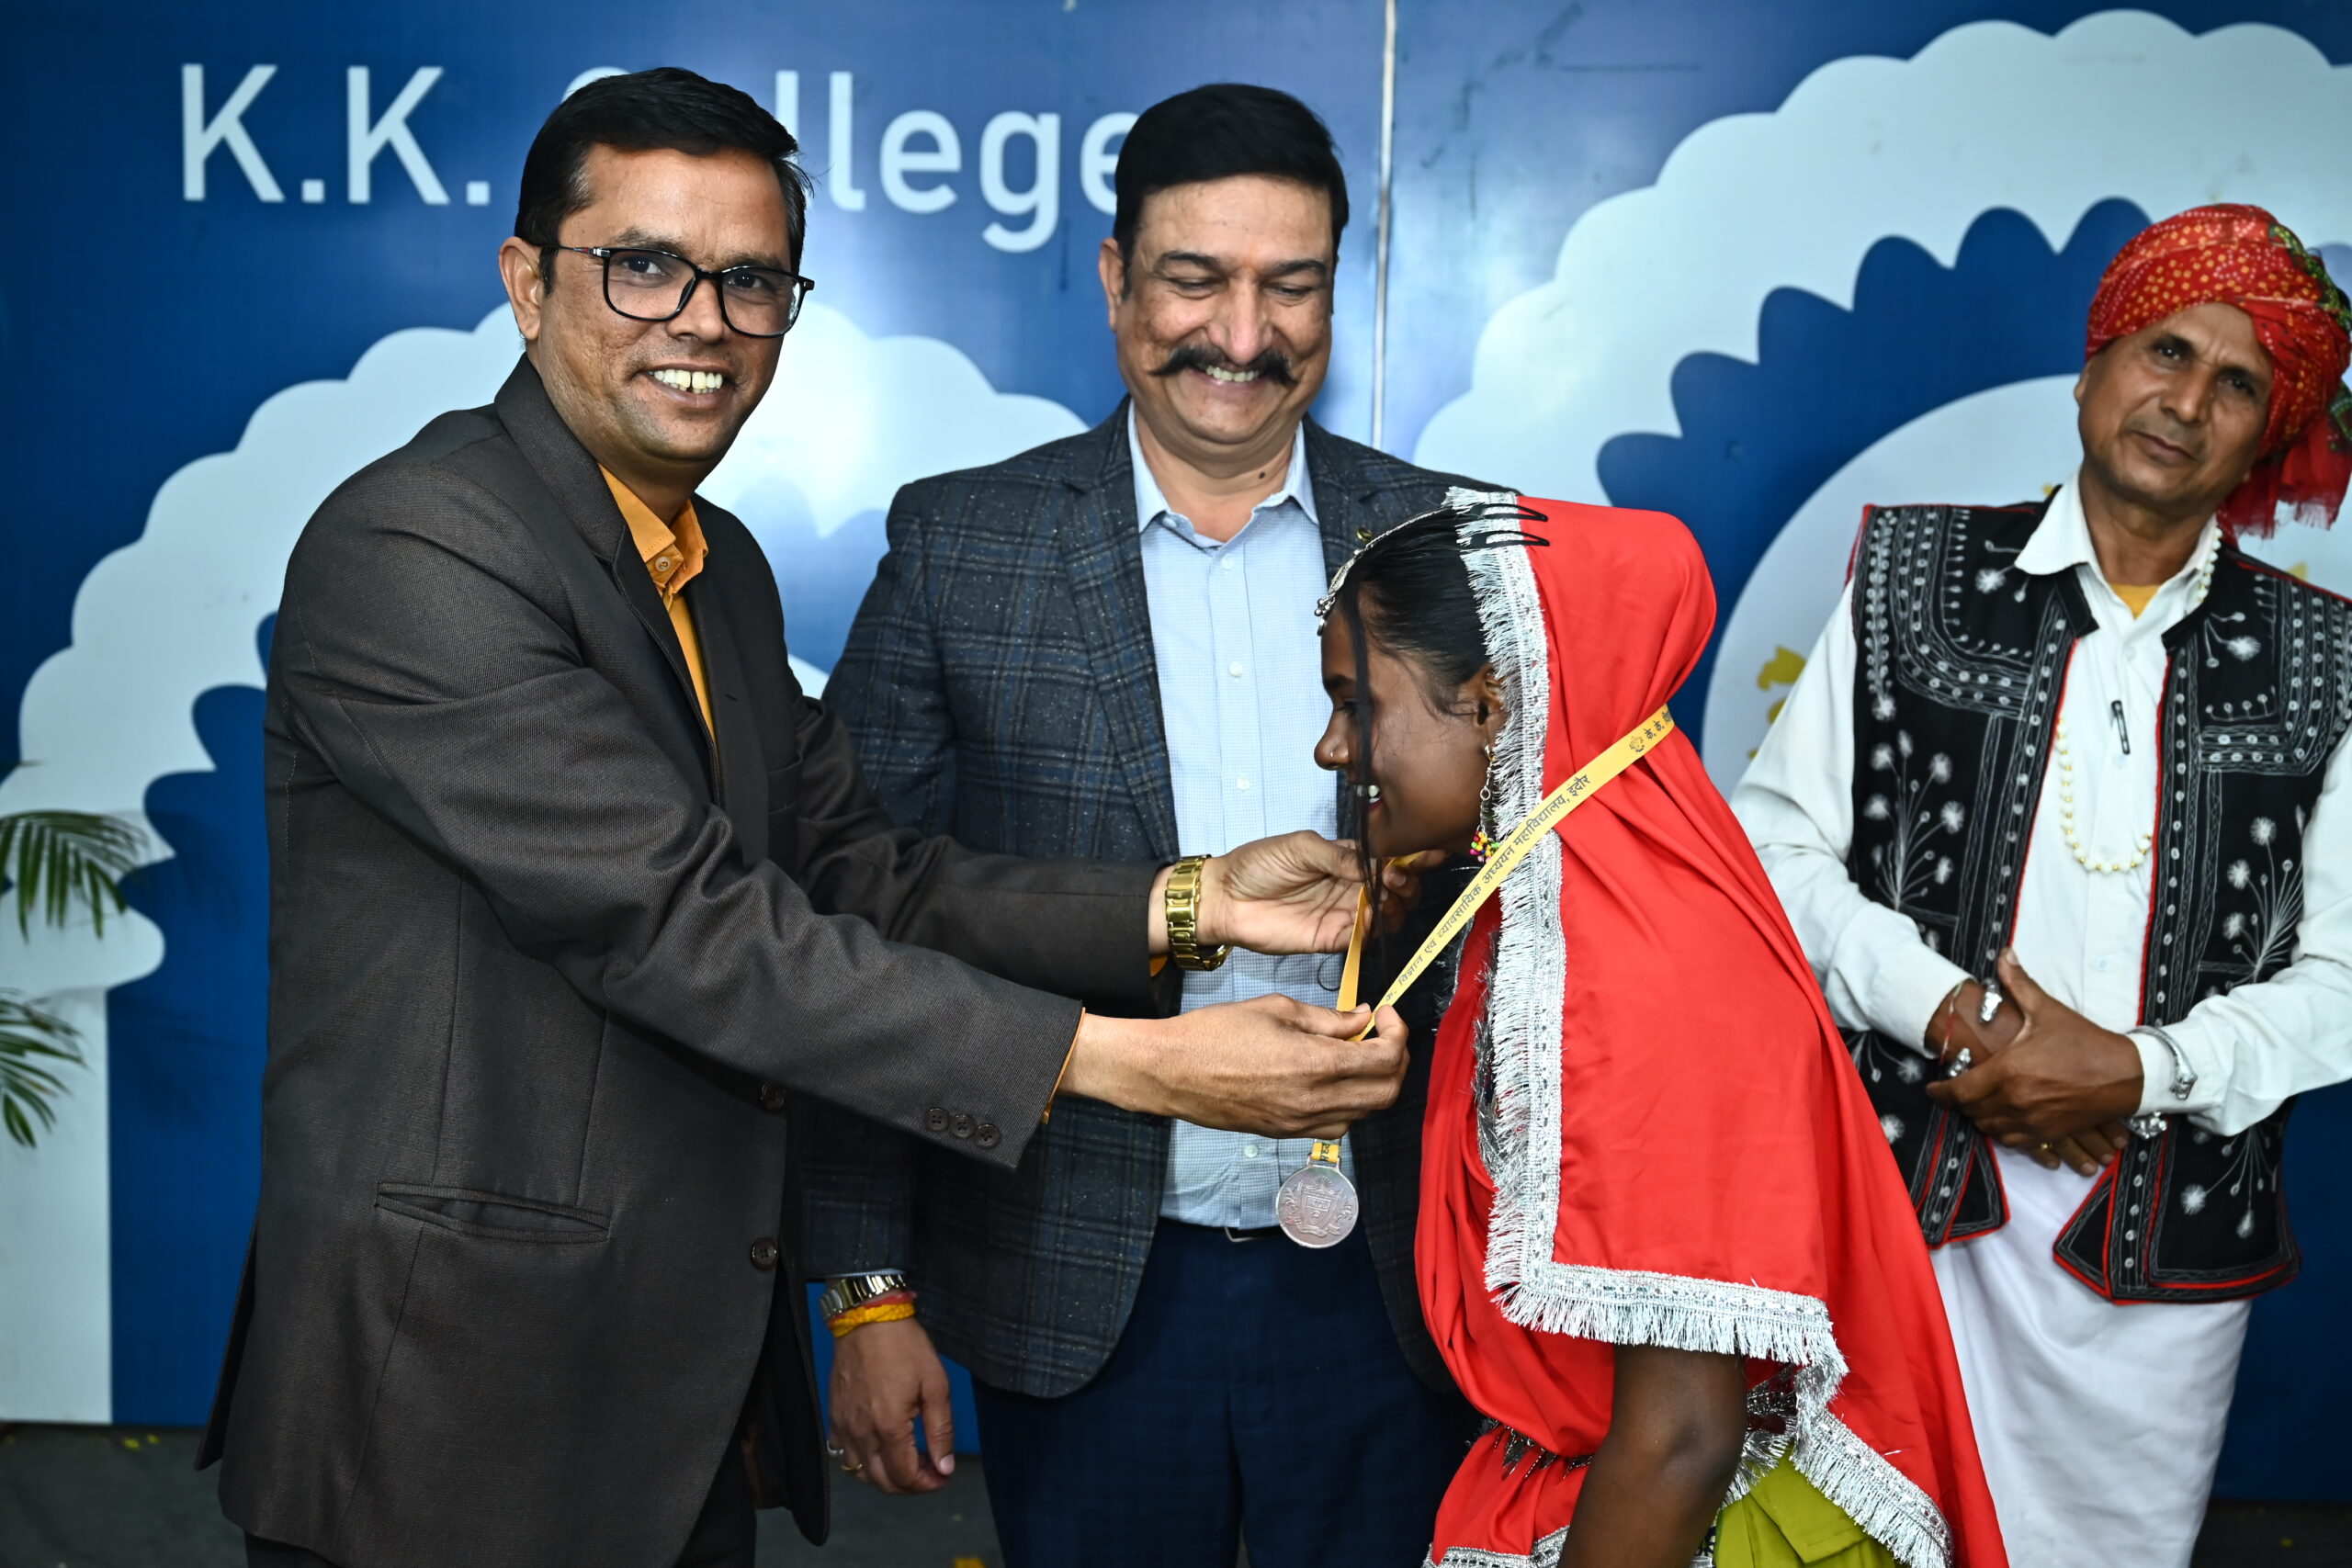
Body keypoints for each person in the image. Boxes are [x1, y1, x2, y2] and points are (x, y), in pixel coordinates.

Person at [195, 69, 1420, 1568]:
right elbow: (687, 924)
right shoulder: (417, 545)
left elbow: (859, 869)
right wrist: (1133, 1063)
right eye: (644, 266)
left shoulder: (716, 565)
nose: (702, 320)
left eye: (751, 280)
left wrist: (1191, 901)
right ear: (526, 281)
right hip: (449, 1403)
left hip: (670, 1389)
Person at [796, 83, 1489, 1568]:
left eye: (1289, 285)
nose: (1242, 333)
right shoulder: (962, 545)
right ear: (1116, 279)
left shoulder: (1457, 544)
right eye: (1195, 279)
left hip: (1398, 1293)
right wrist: (866, 1290)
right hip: (1079, 1288)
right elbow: (856, 916)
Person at [1731, 203, 2352, 1566]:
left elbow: (2343, 980)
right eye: (2165, 350)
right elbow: (1771, 850)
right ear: (2092, 367)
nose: (2185, 402)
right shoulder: (1909, 575)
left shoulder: (2327, 659)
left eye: (2238, 383)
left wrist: (2135, 1070)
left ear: (2267, 436)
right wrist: (1956, 1014)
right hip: (1902, 1197)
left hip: (2166, 1257)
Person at [1315, 495, 2007, 1568]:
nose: (1331, 748)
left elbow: (1681, 1437)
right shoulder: (1553, 910)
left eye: (1356, 705)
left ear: (1491, 705)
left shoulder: (1640, 970)